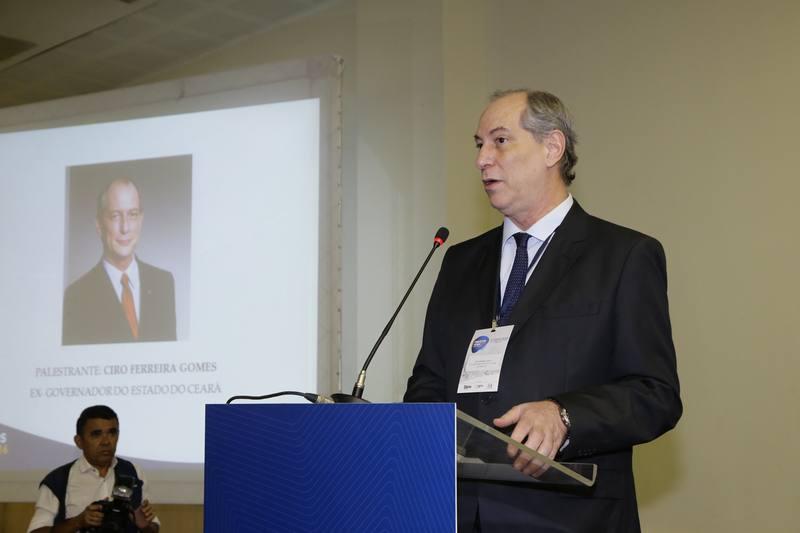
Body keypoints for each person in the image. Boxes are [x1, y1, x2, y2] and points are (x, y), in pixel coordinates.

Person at [404, 90, 682, 532]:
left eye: (500, 141)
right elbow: (429, 381)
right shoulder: (459, 261)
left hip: (570, 517)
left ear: (552, 147)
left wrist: (564, 415)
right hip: (459, 516)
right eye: (479, 144)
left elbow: (654, 394)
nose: (482, 159)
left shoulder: (624, 256)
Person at [62, 178, 176, 345]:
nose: (125, 228)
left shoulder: (163, 283)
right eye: (115, 216)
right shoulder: (77, 296)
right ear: (99, 225)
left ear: (141, 220)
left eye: (132, 215)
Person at [27, 405, 159, 532]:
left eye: (112, 433)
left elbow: (152, 528)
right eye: (96, 434)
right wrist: (77, 522)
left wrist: (145, 527)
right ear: (79, 441)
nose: (106, 442)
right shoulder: (58, 480)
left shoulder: (133, 472)